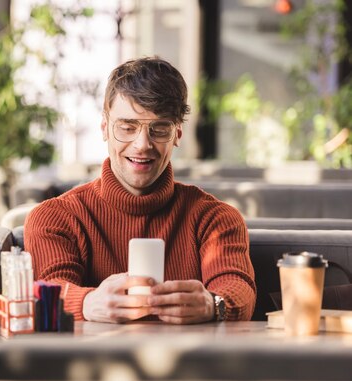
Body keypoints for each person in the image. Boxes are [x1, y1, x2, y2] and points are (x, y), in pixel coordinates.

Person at [24, 56, 256, 324]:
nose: (142, 144)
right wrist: (87, 303)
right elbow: (52, 290)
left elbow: (237, 288)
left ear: (177, 134)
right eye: (127, 127)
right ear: (104, 128)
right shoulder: (55, 217)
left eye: (159, 129)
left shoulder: (215, 218)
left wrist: (213, 305)